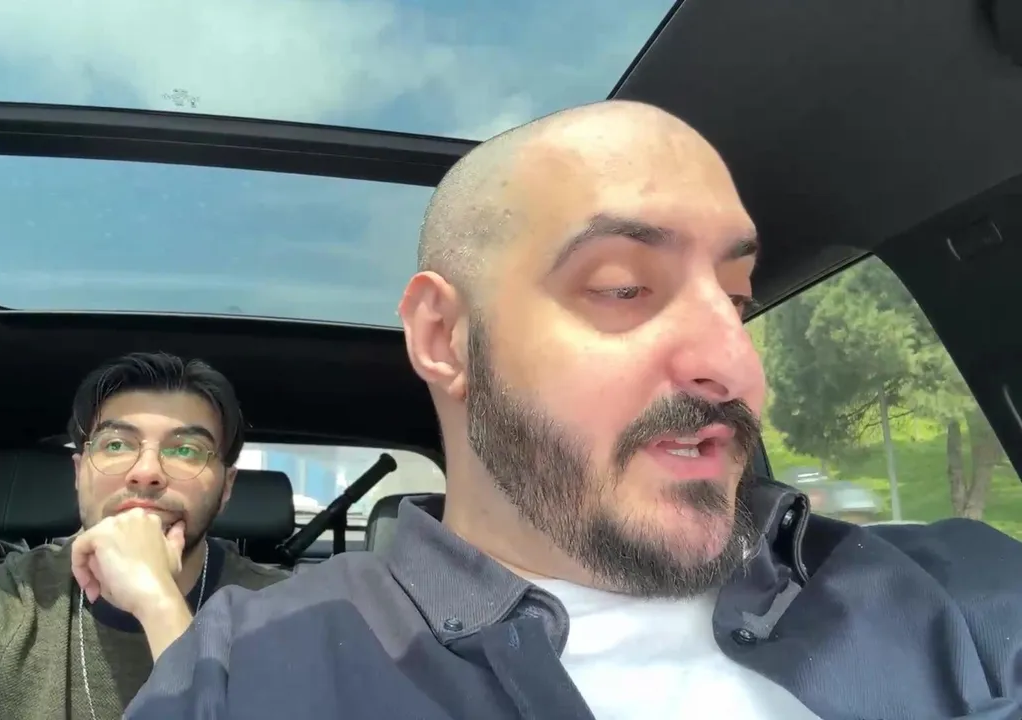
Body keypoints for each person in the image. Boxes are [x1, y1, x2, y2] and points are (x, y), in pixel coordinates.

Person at [75, 102, 1022, 720]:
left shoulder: (964, 590)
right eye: (623, 288)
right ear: (446, 337)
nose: (738, 366)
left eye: (737, 302)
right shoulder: (247, 671)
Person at [0, 351, 288, 719]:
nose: (146, 472)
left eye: (185, 451)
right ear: (79, 473)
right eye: (117, 445)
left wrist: (157, 603)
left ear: (226, 488)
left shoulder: (287, 613)